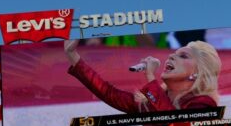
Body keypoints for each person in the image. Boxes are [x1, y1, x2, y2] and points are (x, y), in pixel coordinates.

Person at [64, 39, 221, 113]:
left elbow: (172, 120)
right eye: (174, 53)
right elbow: (108, 93)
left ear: (197, 73)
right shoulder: (148, 102)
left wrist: (150, 76)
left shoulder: (204, 104)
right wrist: (72, 55)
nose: (171, 56)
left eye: (184, 56)